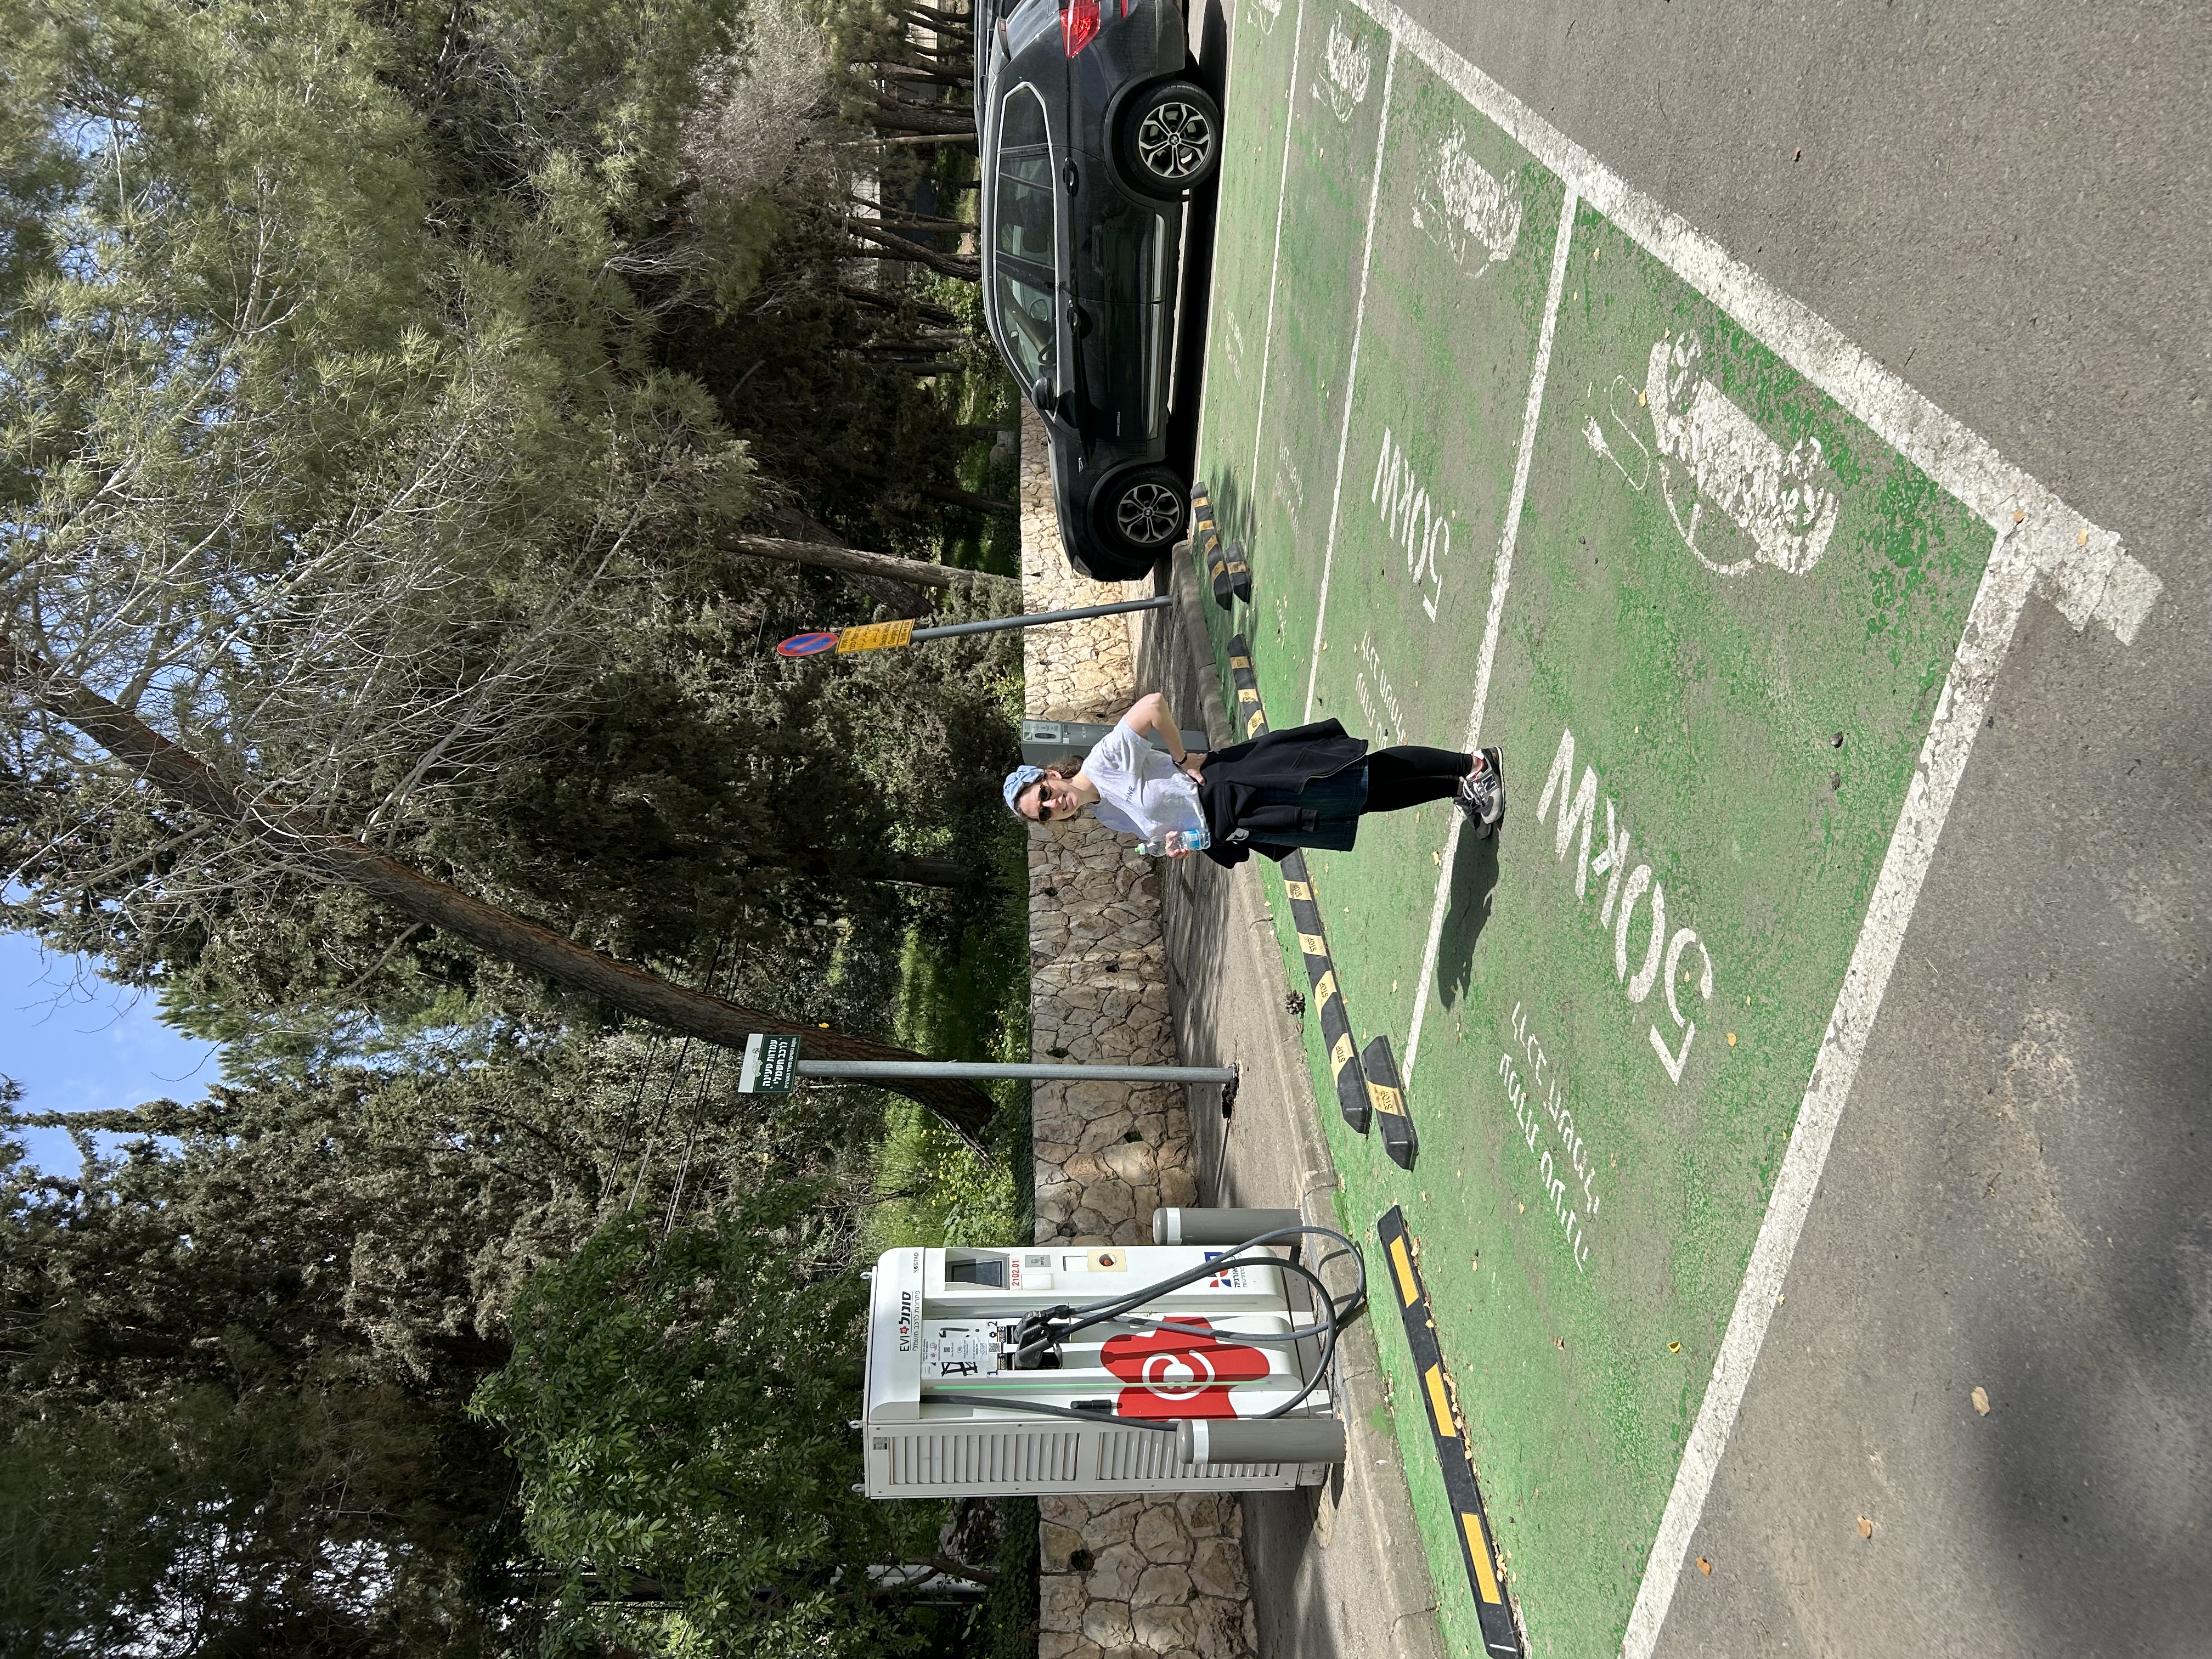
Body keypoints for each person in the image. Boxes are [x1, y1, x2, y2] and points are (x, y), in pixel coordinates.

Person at [1003, 691, 1503, 865]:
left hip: (1235, 785)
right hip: (1235, 820)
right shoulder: (1105, 815)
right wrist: (1181, 843)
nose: (1052, 806)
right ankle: (1455, 787)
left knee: (1357, 775)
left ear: (1051, 774)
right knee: (1359, 803)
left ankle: (1472, 765)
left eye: (1044, 794)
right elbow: (1167, 818)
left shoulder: (1104, 762)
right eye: (1043, 813)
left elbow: (1153, 705)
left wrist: (1182, 757)